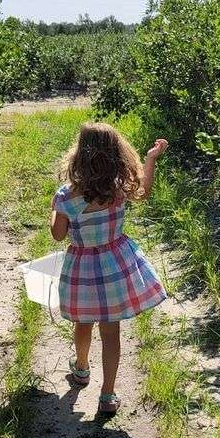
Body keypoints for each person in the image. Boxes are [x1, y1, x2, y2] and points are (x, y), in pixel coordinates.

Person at [50, 122, 168, 414]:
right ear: (116, 155)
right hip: (115, 266)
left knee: (83, 322)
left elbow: (57, 234)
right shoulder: (117, 190)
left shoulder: (67, 196)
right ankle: (108, 394)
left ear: (79, 155)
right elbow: (144, 191)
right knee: (111, 332)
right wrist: (150, 159)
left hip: (83, 270)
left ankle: (81, 367)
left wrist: (56, 210)